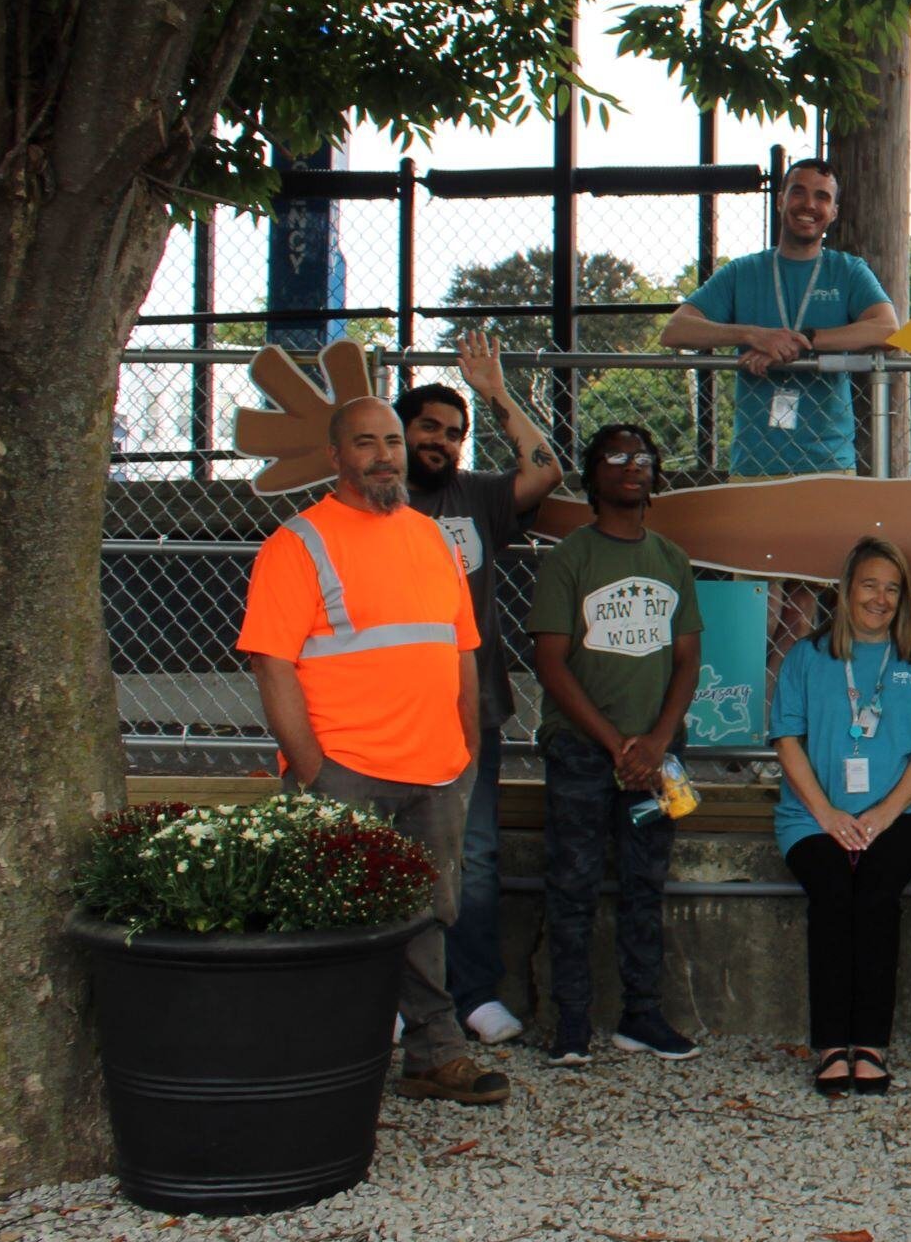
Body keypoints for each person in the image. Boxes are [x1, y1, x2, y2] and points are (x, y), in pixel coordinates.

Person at [237, 397, 507, 1106]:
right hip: (346, 769)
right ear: (336, 457)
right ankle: (325, 1064)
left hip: (438, 766)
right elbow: (272, 664)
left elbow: (462, 652)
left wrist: (468, 748)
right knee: (334, 919)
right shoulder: (298, 543)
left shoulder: (431, 539)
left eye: (392, 440)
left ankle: (433, 1057)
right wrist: (313, 768)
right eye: (366, 442)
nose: (385, 454)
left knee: (427, 916)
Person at [398, 333, 562, 1048]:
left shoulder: (477, 498)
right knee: (389, 854)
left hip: (471, 712)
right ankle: (395, 1000)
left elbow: (547, 468)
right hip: (385, 716)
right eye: (428, 427)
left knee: (475, 854)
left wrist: (496, 395)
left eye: (453, 434)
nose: (440, 441)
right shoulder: (375, 499)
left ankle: (471, 996)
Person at [661, 158, 899, 651]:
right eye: (799, 192)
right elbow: (676, 330)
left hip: (825, 464)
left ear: (833, 211)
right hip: (757, 463)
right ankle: (743, 715)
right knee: (756, 601)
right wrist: (752, 333)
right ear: (781, 199)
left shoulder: (847, 271)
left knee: (803, 606)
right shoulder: (745, 272)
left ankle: (784, 719)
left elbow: (888, 329)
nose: (808, 205)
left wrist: (805, 341)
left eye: (822, 197)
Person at [526, 421, 704, 1067]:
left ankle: (641, 1016)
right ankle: (571, 1022)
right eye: (617, 455)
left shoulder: (671, 559)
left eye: (645, 455)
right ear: (591, 475)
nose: (634, 465)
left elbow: (687, 658)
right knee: (571, 885)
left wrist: (655, 742)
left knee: (644, 884)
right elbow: (551, 662)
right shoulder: (570, 558)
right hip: (580, 753)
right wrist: (614, 744)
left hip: (655, 763)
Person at [768, 536, 911, 1095]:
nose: (880, 598)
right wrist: (825, 814)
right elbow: (787, 738)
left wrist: (883, 814)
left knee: (875, 897)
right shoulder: (808, 655)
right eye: (870, 585)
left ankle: (869, 1044)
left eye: (893, 589)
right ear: (846, 589)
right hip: (812, 817)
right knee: (832, 895)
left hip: (898, 815)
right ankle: (830, 1045)